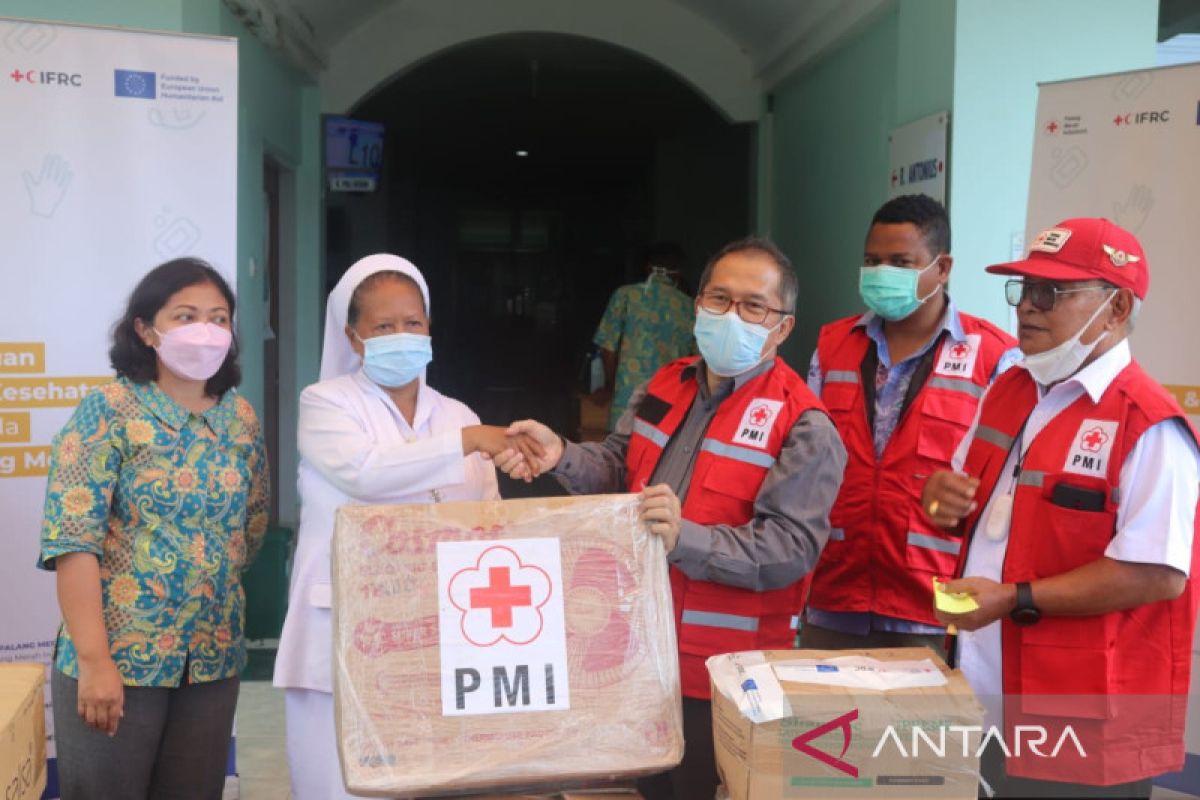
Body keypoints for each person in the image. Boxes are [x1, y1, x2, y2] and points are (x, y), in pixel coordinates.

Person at [495, 237, 846, 800]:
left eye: (753, 306)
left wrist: (687, 538)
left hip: (729, 679)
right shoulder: (665, 384)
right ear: (697, 303)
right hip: (638, 659)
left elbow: (790, 549)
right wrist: (560, 453)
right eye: (719, 298)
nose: (732, 315)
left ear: (782, 327)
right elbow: (616, 466)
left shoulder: (804, 425)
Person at [923, 218, 1199, 799]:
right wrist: (939, 502)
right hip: (981, 700)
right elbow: (954, 505)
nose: (1028, 307)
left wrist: (1016, 598)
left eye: (1051, 293)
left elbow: (1158, 574)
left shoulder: (1147, 425)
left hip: (1081, 724)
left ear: (1117, 308)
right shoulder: (1010, 389)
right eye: (1023, 290)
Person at [272, 254, 540, 800]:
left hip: (440, 637)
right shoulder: (325, 404)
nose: (401, 335)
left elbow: (490, 523)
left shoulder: (459, 414)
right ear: (353, 337)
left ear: (429, 327)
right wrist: (471, 443)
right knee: (338, 786)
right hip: (342, 635)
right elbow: (368, 474)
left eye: (412, 323)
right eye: (383, 327)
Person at [38, 258, 268, 800]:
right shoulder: (106, 411)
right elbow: (73, 543)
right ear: (146, 329)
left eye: (218, 318)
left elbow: (252, 529)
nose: (204, 330)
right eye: (185, 316)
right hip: (117, 661)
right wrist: (95, 663)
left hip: (210, 660)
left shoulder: (240, 419)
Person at [802, 194, 1019, 656]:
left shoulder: (995, 357)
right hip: (833, 595)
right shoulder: (832, 346)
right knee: (825, 727)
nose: (883, 273)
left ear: (943, 269)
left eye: (901, 262)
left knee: (921, 731)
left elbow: (1012, 485)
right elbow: (803, 463)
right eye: (872, 261)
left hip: (937, 607)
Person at [592, 242, 695, 430]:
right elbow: (695, 360)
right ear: (678, 273)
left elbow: (608, 348)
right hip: (670, 398)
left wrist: (611, 386)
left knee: (620, 452)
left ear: (647, 267)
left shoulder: (625, 296)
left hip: (626, 397)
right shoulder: (689, 306)